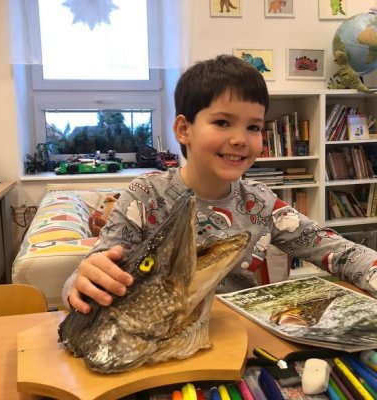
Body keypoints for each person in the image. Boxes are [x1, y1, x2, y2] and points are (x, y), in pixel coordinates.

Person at [63, 54, 377, 314]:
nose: (240, 139)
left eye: (253, 127)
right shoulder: (145, 196)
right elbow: (90, 274)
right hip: (160, 343)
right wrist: (80, 282)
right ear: (184, 130)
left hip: (240, 341)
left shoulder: (261, 202)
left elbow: (338, 251)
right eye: (222, 122)